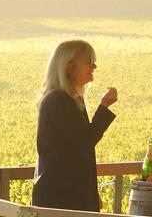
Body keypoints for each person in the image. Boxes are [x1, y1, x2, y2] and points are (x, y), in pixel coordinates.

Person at [31, 39, 118, 211]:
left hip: (70, 196)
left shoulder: (73, 99)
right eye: (89, 63)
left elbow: (77, 151)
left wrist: (91, 192)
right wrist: (104, 107)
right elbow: (85, 140)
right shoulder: (58, 100)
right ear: (69, 67)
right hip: (60, 200)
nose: (94, 68)